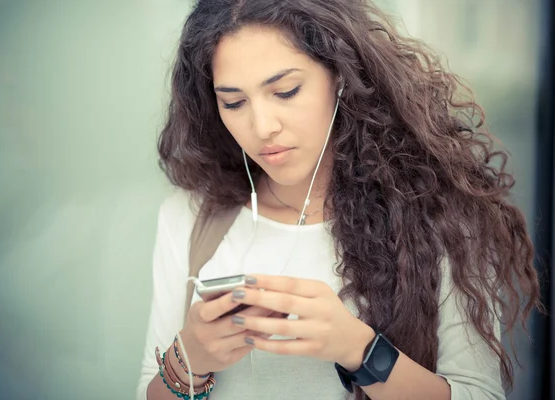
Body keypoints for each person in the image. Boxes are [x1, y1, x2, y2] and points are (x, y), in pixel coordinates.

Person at [137, 0, 543, 399]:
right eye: (234, 102)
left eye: (286, 91)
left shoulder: (442, 218)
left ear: (341, 75)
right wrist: (189, 358)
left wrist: (358, 349)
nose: (262, 126)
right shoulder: (191, 215)